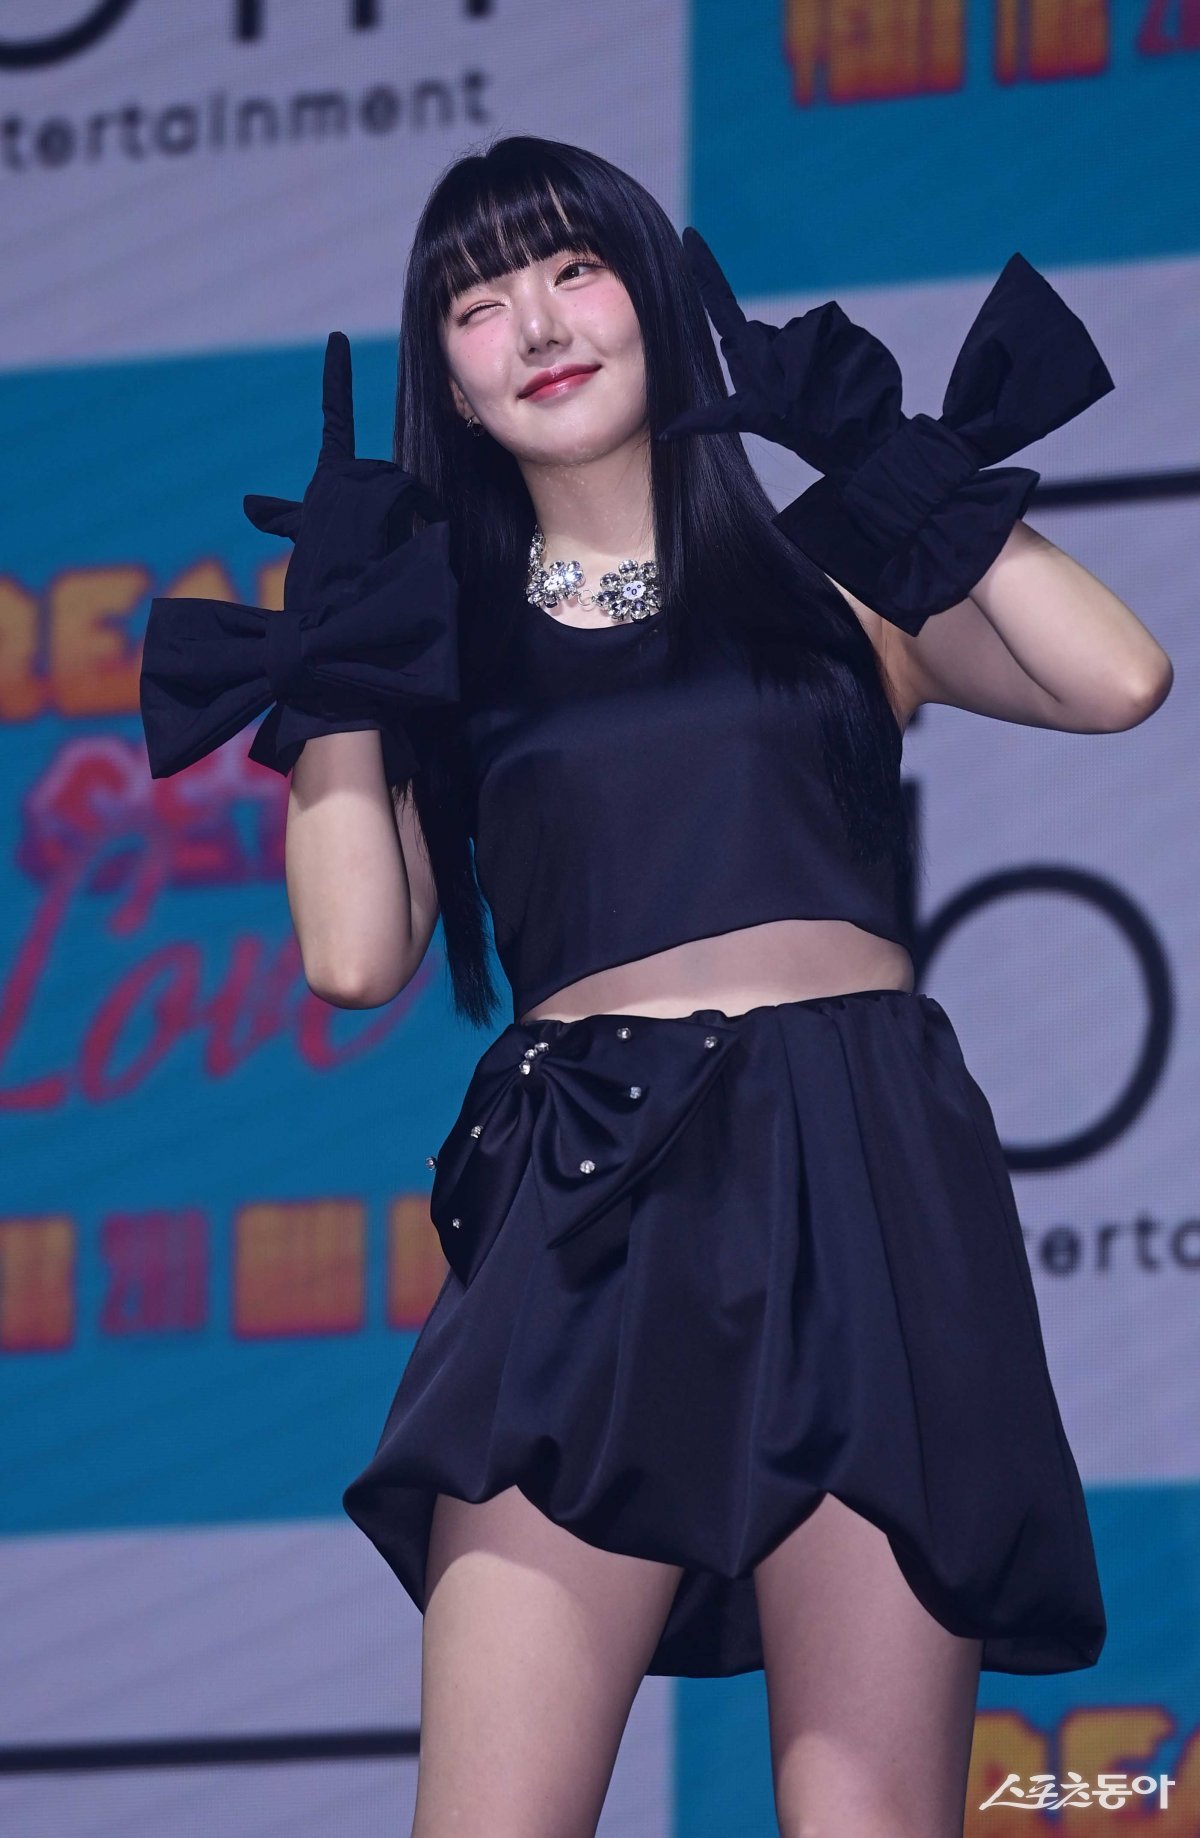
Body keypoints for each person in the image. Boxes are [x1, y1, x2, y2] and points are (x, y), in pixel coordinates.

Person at [139, 135, 1173, 1838]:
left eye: (574, 269)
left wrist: (871, 449)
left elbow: (1119, 677)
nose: (539, 322)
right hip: (588, 1198)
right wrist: (336, 661)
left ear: (655, 299)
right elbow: (353, 956)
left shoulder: (831, 570)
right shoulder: (436, 641)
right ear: (449, 383)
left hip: (861, 1174)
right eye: (481, 302)